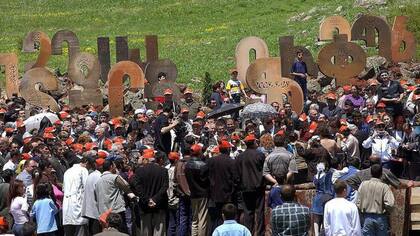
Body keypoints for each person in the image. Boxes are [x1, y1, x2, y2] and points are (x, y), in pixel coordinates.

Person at [132, 150, 168, 236]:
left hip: (145, 206)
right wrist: (154, 199)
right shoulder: (163, 171)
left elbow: (138, 188)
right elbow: (164, 187)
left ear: (146, 159)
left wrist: (148, 200)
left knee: (145, 232)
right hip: (159, 205)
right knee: (159, 232)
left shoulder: (139, 171)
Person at [94, 160, 136, 234]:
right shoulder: (115, 177)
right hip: (116, 211)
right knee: (120, 231)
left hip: (103, 213)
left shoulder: (98, 181)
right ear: (111, 167)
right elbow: (126, 185)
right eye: (114, 166)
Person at [207, 140, 239, 234]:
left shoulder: (211, 161)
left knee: (215, 220)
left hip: (214, 195)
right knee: (227, 219)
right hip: (228, 196)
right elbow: (236, 178)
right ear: (228, 149)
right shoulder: (231, 162)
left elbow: (203, 175)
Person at [236, 134, 265, 235]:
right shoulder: (260, 155)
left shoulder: (239, 157)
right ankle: (260, 233)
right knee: (259, 212)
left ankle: (249, 233)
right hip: (258, 187)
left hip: (245, 188)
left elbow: (237, 174)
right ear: (253, 143)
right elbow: (264, 171)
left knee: (248, 213)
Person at [356, 164, 395, 236]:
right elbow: (390, 204)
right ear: (381, 174)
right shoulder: (384, 186)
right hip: (381, 218)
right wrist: (387, 212)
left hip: (366, 218)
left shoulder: (363, 184)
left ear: (370, 173)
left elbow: (358, 202)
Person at [184, 144, 209, 236]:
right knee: (202, 219)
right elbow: (206, 180)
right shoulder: (203, 165)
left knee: (194, 219)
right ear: (200, 152)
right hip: (203, 194)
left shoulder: (187, 165)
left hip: (193, 193)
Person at [62, 157, 89, 236]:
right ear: (85, 162)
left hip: (67, 204)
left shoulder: (67, 171)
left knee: (68, 231)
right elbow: (86, 186)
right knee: (80, 229)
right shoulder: (83, 170)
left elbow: (64, 188)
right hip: (78, 202)